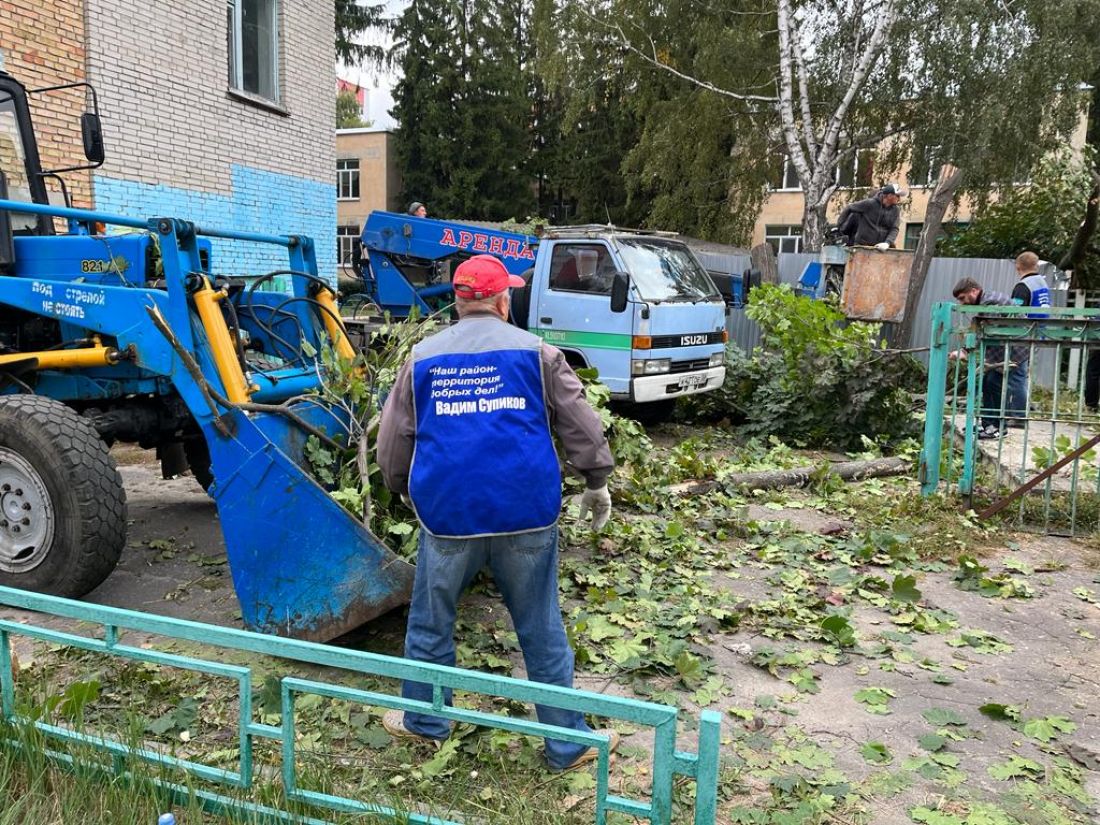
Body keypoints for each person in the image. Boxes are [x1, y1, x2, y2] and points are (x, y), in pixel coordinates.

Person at [376, 254, 618, 771]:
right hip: (526, 514)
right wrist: (595, 481)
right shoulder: (539, 353)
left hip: (448, 518)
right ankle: (566, 743)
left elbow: (393, 441)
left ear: (459, 303)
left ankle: (425, 723)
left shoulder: (422, 357)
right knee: (540, 625)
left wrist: (399, 486)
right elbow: (582, 426)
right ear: (503, 302)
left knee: (431, 621)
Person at [950, 276, 1028, 438]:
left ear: (974, 290)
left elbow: (986, 328)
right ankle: (989, 424)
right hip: (1006, 349)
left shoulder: (990, 302)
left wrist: (965, 351)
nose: (962, 303)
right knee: (988, 382)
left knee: (999, 385)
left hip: (1014, 349)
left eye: (963, 298)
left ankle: (1000, 427)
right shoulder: (986, 301)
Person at [835, 183, 907, 249]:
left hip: (880, 247)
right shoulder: (870, 204)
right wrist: (839, 225)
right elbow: (849, 207)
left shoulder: (896, 210)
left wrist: (887, 243)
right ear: (889, 196)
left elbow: (894, 228)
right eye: (897, 196)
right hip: (862, 245)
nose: (899, 198)